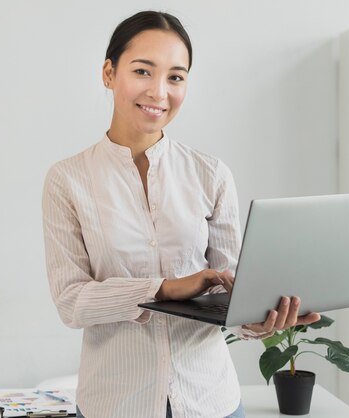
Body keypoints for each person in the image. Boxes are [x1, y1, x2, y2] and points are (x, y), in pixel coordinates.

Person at [42, 11, 320, 418]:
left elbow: (230, 290)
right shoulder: (67, 180)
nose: (159, 91)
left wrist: (260, 321)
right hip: (115, 403)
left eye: (176, 77)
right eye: (142, 71)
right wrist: (165, 288)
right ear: (108, 72)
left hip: (210, 402)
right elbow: (72, 303)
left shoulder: (211, 175)